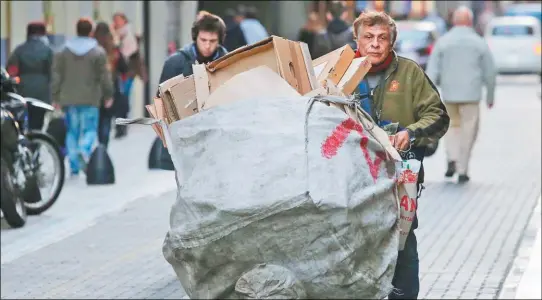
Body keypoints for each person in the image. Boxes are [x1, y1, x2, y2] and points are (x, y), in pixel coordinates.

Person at [352, 11, 450, 299]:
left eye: (382, 38)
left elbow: (438, 116)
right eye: (368, 37)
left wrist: (412, 132)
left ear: (391, 41)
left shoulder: (409, 72)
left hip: (400, 176)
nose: (375, 44)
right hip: (354, 175)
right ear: (356, 39)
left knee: (402, 242)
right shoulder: (341, 72)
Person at [425, 6, 496, 184]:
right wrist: (490, 96)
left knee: (451, 128)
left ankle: (452, 158)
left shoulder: (443, 42)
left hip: (449, 94)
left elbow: (432, 71)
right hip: (471, 95)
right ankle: (462, 168)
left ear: (454, 21)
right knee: (469, 131)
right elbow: (490, 72)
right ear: (470, 21)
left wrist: (428, 95)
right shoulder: (479, 42)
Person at [51, 18, 114, 177]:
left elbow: (56, 75)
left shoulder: (63, 51)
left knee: (72, 131)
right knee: (90, 129)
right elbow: (104, 76)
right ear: (90, 31)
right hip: (90, 98)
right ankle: (83, 149)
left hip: (69, 98)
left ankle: (73, 164)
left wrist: (55, 96)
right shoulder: (98, 52)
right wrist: (108, 94)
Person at [6, 22, 54, 130]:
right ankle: (36, 140)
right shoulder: (48, 50)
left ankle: (26, 140)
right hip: (42, 90)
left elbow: (11, 71)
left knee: (24, 118)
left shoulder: (19, 50)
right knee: (39, 119)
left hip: (23, 90)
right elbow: (53, 72)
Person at [158, 13, 228, 84]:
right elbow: (162, 94)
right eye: (203, 40)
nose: (207, 46)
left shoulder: (228, 63)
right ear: (195, 37)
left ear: (220, 40)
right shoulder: (174, 63)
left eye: (212, 41)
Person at [112, 12, 148, 138]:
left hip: (127, 72)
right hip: (118, 72)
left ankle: (122, 124)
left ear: (124, 20)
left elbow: (131, 53)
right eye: (115, 20)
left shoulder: (127, 34)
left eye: (118, 20)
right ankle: (121, 123)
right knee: (121, 97)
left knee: (123, 97)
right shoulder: (115, 34)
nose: (116, 22)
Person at [94, 22, 129, 148]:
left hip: (95, 89)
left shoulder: (93, 49)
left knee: (98, 119)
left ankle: (99, 144)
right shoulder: (114, 50)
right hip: (111, 88)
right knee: (106, 119)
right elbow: (124, 68)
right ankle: (103, 146)